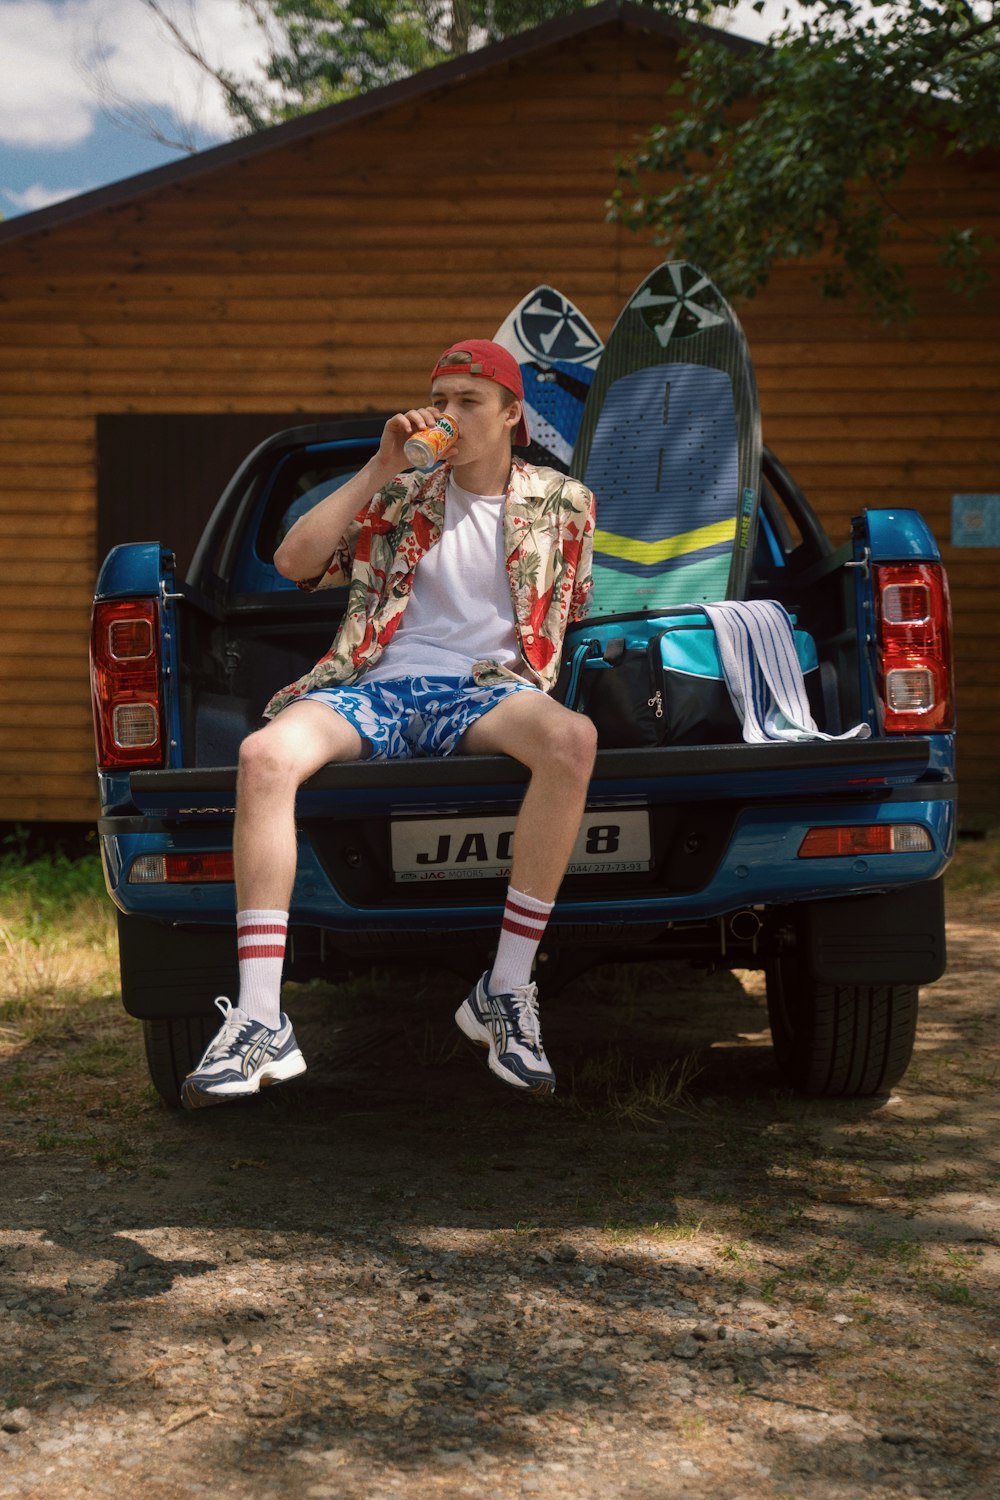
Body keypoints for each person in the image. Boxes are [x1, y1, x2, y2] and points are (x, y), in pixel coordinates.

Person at [181, 339, 598, 1109]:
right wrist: (380, 468)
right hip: (375, 685)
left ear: (513, 416)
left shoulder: (561, 500)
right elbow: (291, 559)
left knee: (573, 739)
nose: (448, 413)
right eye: (440, 397)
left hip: (484, 691)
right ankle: (262, 1018)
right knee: (262, 757)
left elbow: (571, 611)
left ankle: (504, 993)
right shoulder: (400, 494)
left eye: (469, 400)